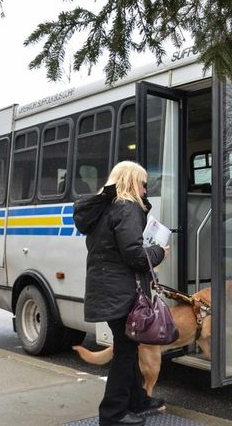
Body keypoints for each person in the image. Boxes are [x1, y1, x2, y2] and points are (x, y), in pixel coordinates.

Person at [74, 161, 168, 426]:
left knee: (129, 346)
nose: (146, 190)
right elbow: (134, 255)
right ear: (130, 181)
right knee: (126, 352)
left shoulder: (104, 210)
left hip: (108, 290)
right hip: (121, 293)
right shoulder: (126, 208)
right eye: (143, 183)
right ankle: (113, 414)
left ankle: (137, 400)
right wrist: (159, 251)